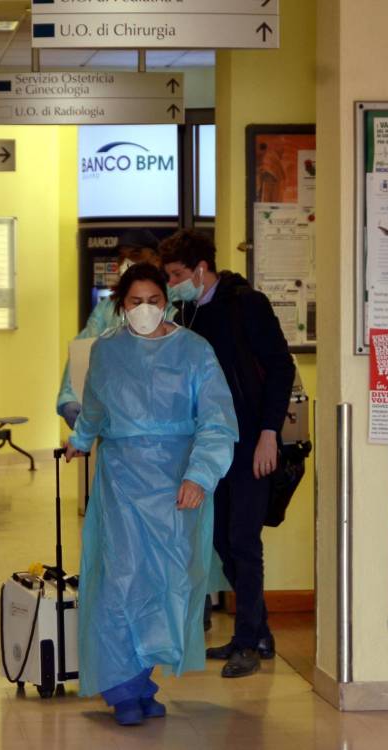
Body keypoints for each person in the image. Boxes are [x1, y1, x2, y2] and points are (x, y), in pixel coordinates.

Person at [63, 263, 238, 726]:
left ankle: (142, 679)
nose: (145, 310)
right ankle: (123, 688)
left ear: (168, 300)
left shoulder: (195, 350)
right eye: (135, 301)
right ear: (121, 305)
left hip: (178, 482)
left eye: (154, 300)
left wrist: (200, 475)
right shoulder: (107, 349)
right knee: (121, 580)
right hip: (121, 481)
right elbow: (96, 405)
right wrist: (81, 440)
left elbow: (217, 420)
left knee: (166, 583)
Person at [161, 229, 296, 679]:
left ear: (202, 269)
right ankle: (257, 630)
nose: (173, 283)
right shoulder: (186, 314)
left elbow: (281, 366)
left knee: (243, 540)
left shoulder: (245, 304)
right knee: (219, 540)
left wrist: (268, 433)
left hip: (250, 442)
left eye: (178, 274)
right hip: (210, 445)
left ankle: (247, 643)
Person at [56, 230, 172, 429]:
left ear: (156, 259)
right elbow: (84, 348)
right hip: (112, 419)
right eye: (121, 256)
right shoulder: (108, 308)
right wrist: (69, 397)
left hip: (160, 421)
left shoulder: (171, 305)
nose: (126, 262)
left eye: (134, 255)